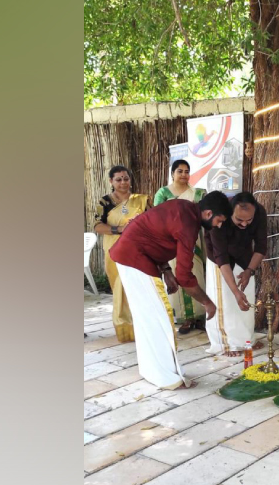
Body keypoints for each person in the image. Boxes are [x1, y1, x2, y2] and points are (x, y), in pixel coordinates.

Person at [109, 191, 232, 390]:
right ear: (209, 213)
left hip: (132, 256)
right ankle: (166, 377)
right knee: (159, 319)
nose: (219, 226)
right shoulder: (188, 224)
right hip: (135, 259)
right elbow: (184, 276)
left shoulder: (183, 207)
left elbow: (155, 236)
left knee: (148, 318)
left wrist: (166, 270)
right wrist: (207, 302)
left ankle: (153, 371)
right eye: (220, 221)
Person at [203, 192, 267, 356]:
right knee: (224, 298)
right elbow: (221, 257)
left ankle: (246, 340)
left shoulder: (259, 211)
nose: (244, 224)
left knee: (247, 298)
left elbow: (261, 246)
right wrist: (235, 291)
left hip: (244, 255)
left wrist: (249, 271)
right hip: (219, 258)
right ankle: (224, 344)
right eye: (239, 220)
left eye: (249, 220)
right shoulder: (219, 217)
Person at [92, 165, 151, 343]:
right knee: (120, 287)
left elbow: (152, 222)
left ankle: (143, 326)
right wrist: (120, 229)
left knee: (139, 287)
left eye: (126, 178)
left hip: (137, 251)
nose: (123, 182)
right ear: (111, 181)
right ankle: (125, 328)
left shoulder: (141, 200)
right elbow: (97, 226)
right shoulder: (105, 202)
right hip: (114, 251)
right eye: (118, 179)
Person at [154, 159, 208, 334]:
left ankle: (199, 316)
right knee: (177, 275)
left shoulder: (198, 194)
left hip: (193, 241)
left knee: (196, 273)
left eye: (186, 171)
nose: (184, 175)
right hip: (172, 241)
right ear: (172, 173)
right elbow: (158, 217)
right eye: (180, 171)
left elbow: (205, 216)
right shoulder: (163, 193)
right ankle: (184, 318)